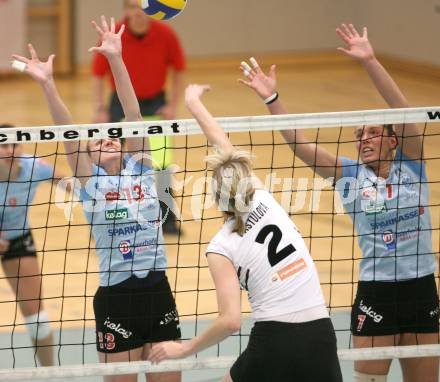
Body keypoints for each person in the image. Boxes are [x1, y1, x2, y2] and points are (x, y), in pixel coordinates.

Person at [238, 24, 439, 382]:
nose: (364, 138)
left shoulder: (412, 164)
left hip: (422, 288)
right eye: (359, 134)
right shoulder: (350, 177)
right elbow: (300, 146)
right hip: (377, 290)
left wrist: (370, 60)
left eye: (374, 132)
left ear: (394, 142)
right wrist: (272, 99)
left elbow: (404, 109)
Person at [14, 16, 181, 382]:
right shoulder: (90, 185)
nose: (106, 139)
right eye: (97, 141)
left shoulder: (142, 168)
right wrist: (48, 84)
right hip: (117, 298)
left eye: (112, 138)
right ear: (88, 156)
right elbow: (68, 133)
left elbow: (133, 112)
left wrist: (116, 59)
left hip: (158, 292)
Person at [148, 84, 343, 382]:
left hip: (274, 340)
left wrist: (185, 349)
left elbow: (230, 321)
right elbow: (222, 144)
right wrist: (193, 102)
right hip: (320, 334)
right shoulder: (264, 198)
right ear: (247, 182)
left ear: (214, 197)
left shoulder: (221, 246)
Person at [92, 0, 186, 235]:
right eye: (132, 7)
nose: (138, 13)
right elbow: (97, 74)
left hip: (155, 102)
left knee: (161, 163)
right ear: (125, 11)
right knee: (111, 162)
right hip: (119, 104)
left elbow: (179, 69)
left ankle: (168, 220)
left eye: (141, 7)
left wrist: (173, 105)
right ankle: (106, 218)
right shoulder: (113, 36)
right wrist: (100, 108)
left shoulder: (166, 34)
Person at [0, 122, 69, 366]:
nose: (9, 150)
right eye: (3, 145)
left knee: (37, 319)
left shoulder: (33, 166)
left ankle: (50, 372)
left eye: (14, 144)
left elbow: (68, 182)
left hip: (16, 239)